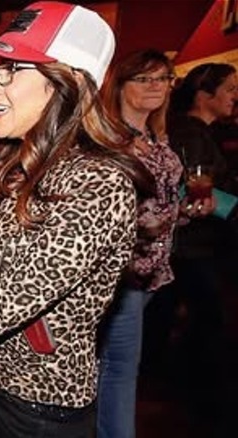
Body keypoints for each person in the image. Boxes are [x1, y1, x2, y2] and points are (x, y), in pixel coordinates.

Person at [0, 2, 152, 437]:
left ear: (66, 82)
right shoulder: (18, 164)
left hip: (40, 409)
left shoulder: (100, 184)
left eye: (11, 70)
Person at [97, 49, 193, 438]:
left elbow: (165, 202)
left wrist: (185, 210)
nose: (157, 86)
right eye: (145, 79)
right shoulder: (111, 140)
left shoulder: (157, 135)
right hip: (125, 275)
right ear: (120, 85)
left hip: (155, 271)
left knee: (110, 366)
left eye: (163, 78)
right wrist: (143, 224)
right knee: (119, 370)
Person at [166, 62, 237, 435]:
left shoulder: (199, 131)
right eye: (228, 89)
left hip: (196, 245)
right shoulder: (190, 134)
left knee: (201, 324)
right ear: (203, 95)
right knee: (208, 325)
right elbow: (184, 190)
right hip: (192, 247)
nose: (234, 96)